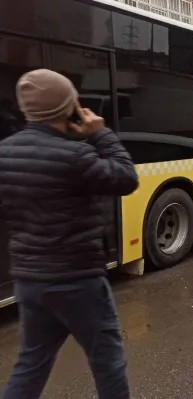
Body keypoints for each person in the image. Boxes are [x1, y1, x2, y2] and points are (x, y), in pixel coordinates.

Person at [0, 69, 139, 399]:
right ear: (68, 107)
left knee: (31, 362)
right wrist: (101, 134)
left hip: (30, 280)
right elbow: (125, 178)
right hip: (77, 280)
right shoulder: (76, 155)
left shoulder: (3, 153)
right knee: (107, 362)